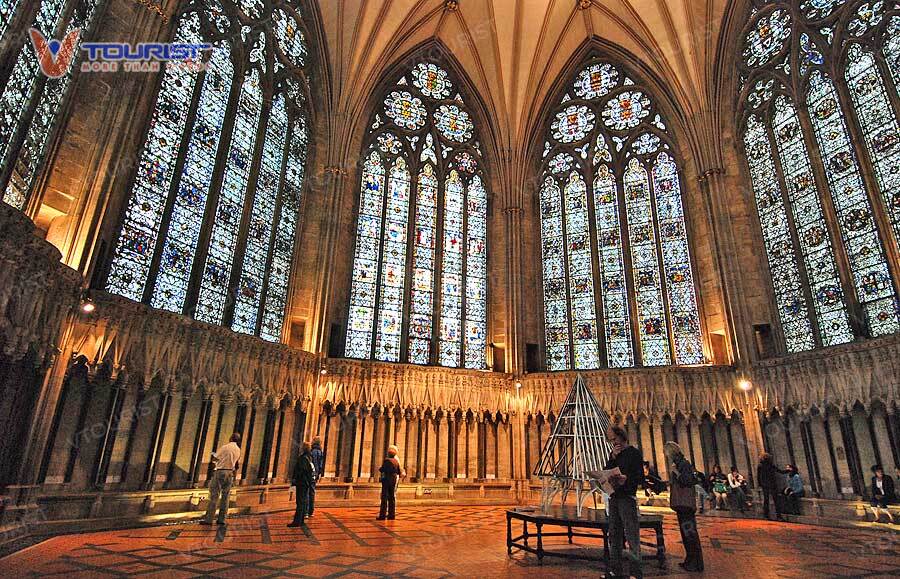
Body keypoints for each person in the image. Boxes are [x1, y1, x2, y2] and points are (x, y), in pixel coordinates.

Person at [603, 425, 644, 579]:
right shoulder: (614, 455)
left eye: (614, 439)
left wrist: (627, 479)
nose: (613, 442)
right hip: (614, 498)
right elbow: (607, 471)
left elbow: (640, 478)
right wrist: (612, 459)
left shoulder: (634, 454)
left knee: (631, 535)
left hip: (627, 498)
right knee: (614, 535)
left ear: (622, 437)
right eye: (611, 440)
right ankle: (615, 570)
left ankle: (635, 573)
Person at [664, 442, 704, 573]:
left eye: (667, 453)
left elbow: (688, 481)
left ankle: (696, 563)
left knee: (690, 533)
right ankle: (690, 560)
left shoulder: (684, 464)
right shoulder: (681, 463)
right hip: (682, 504)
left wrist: (676, 472)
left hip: (685, 504)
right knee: (686, 533)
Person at [202, 432, 241, 526]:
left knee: (214, 495)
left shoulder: (225, 447)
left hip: (220, 471)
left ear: (231, 438)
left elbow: (215, 459)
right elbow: (236, 464)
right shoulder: (238, 449)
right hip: (230, 473)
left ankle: (209, 519)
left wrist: (213, 455)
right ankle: (222, 519)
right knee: (226, 497)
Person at [288, 441, 316, 527]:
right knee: (303, 501)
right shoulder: (309, 458)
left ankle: (297, 521)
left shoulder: (303, 458)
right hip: (307, 483)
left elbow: (301, 471)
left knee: (300, 502)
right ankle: (301, 520)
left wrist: (295, 480)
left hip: (302, 483)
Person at [757, 453, 787, 520]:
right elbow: (780, 471)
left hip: (765, 484)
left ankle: (766, 515)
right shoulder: (770, 465)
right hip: (772, 483)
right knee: (776, 500)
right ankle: (779, 516)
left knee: (766, 500)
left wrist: (760, 484)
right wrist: (788, 470)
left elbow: (758, 476)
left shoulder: (760, 465)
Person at [377, 445, 403, 520]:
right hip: (393, 480)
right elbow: (399, 472)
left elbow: (382, 469)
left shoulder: (387, 460)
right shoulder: (396, 461)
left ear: (388, 454)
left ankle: (382, 515)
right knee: (392, 498)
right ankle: (392, 515)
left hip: (387, 480)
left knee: (384, 498)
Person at [308, 436, 325, 518]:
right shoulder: (320, 452)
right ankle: (311, 511)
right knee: (312, 492)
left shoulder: (312, 452)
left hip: (309, 474)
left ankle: (306, 511)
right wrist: (318, 474)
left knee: (308, 492)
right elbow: (321, 465)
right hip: (315, 474)